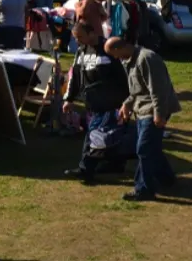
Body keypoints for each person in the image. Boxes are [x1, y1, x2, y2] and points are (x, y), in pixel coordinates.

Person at [106, 37, 180, 202]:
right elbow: (137, 90)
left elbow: (158, 89)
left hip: (153, 109)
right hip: (142, 108)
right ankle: (167, 179)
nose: (116, 59)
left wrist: (159, 114)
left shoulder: (147, 58)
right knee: (151, 147)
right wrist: (127, 104)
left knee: (144, 148)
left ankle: (144, 189)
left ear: (120, 49)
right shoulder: (130, 61)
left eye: (114, 54)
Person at [62, 21, 131, 185]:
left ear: (92, 33)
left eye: (80, 37)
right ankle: (115, 163)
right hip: (92, 103)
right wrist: (69, 98)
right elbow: (76, 77)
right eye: (75, 38)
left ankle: (85, 169)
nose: (78, 41)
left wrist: (126, 102)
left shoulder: (108, 50)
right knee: (108, 136)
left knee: (95, 136)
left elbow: (124, 78)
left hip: (109, 103)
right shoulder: (80, 51)